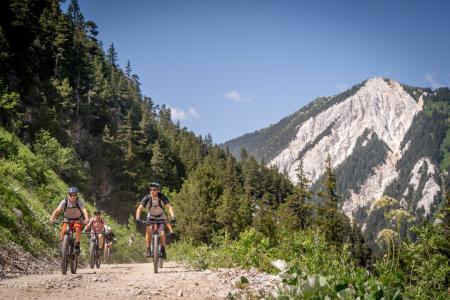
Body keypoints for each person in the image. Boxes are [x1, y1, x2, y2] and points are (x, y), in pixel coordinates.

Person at [135, 182, 175, 258]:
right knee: (148, 230)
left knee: (162, 233)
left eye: (154, 190)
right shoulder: (147, 198)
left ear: (158, 191)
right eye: (151, 190)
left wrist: (173, 216)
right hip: (151, 216)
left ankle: (163, 249)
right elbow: (139, 208)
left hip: (161, 216)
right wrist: (137, 218)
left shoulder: (162, 197)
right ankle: (148, 249)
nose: (152, 191)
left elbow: (169, 207)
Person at [49, 187, 89, 254]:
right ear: (68, 195)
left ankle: (77, 245)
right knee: (63, 231)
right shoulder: (64, 201)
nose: (73, 197)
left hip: (77, 219)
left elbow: (84, 210)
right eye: (71, 195)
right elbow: (58, 210)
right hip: (67, 219)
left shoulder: (79, 201)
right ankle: (62, 246)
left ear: (77, 195)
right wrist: (52, 218)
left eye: (74, 195)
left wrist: (87, 219)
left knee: (78, 229)